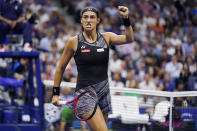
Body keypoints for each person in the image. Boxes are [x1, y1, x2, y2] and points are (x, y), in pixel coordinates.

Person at [52, 6, 134, 131]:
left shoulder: (107, 37)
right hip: (84, 94)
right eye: (85, 17)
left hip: (104, 92)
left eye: (92, 17)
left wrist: (126, 19)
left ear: (98, 21)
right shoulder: (73, 42)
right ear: (81, 20)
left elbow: (129, 38)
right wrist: (55, 94)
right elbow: (60, 68)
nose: (88, 20)